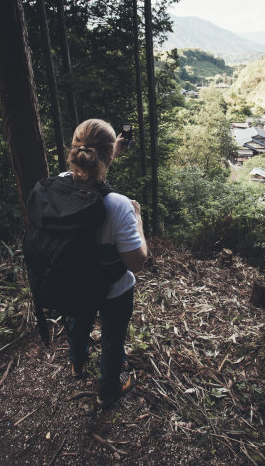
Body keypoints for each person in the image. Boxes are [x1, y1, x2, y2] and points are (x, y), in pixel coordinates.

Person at [61, 118, 147, 408]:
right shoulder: (119, 205)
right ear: (108, 155)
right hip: (113, 290)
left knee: (78, 322)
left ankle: (77, 362)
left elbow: (88, 170)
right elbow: (137, 262)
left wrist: (112, 152)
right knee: (112, 337)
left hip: (74, 281)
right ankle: (108, 388)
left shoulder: (59, 186)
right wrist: (138, 219)